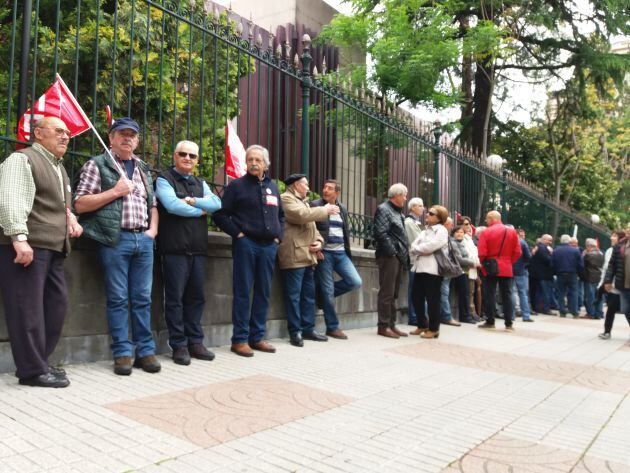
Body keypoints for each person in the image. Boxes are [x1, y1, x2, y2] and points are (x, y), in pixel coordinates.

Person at [0, 117, 83, 388]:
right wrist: (19, 238)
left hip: (54, 247)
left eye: (67, 133)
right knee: (27, 310)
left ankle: (37, 362)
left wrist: (70, 219)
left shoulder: (58, 168)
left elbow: (56, 203)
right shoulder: (22, 159)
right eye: (58, 131)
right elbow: (12, 198)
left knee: (56, 307)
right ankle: (32, 371)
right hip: (29, 246)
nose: (65, 136)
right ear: (37, 133)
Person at [75, 117, 160, 375]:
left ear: (137, 140)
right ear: (111, 138)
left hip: (143, 241)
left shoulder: (143, 168)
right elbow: (80, 204)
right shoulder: (97, 164)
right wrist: (115, 191)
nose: (127, 138)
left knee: (143, 298)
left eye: (132, 135)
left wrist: (152, 231)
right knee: (119, 298)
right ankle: (123, 352)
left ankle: (145, 351)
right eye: (121, 134)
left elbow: (153, 204)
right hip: (115, 239)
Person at [154, 140, 222, 365]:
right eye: (183, 154)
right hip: (173, 250)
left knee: (196, 298)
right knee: (174, 299)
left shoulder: (200, 182)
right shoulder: (164, 179)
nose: (187, 158)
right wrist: (201, 211)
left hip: (198, 250)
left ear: (197, 160)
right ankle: (179, 345)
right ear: (175, 156)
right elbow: (172, 205)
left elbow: (217, 204)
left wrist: (193, 201)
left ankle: (196, 342)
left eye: (192, 156)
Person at [213, 145, 284, 357]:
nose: (253, 163)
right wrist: (238, 235)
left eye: (258, 160)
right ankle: (240, 339)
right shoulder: (237, 186)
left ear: (265, 164)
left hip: (268, 247)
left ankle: (257, 337)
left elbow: (281, 215)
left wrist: (278, 236)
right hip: (246, 245)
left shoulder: (274, 187)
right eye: (250, 159)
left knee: (263, 292)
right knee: (243, 292)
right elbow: (220, 215)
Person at [279, 174, 335, 347]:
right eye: (306, 184)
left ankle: (308, 329)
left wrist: (319, 241)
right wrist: (325, 210)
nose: (309, 188)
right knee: (294, 296)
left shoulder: (302, 200)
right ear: (296, 185)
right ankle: (295, 331)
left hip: (307, 255)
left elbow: (312, 226)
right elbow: (302, 216)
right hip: (294, 255)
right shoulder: (286, 199)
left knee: (308, 296)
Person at [311, 179, 362, 339]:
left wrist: (347, 252)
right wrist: (317, 248)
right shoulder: (315, 205)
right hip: (325, 254)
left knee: (355, 281)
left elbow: (345, 232)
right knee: (328, 290)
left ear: (337, 193)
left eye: (330, 188)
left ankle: (322, 296)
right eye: (324, 187)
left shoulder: (342, 209)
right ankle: (332, 327)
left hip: (341, 254)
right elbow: (309, 228)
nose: (325, 190)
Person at [373, 183, 409, 338]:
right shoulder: (383, 209)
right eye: (404, 195)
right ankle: (383, 326)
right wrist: (393, 252)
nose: (406, 199)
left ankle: (391, 325)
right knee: (386, 292)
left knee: (393, 293)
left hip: (398, 256)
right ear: (397, 195)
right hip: (389, 256)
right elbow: (380, 233)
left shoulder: (399, 213)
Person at [409, 205, 449, 338]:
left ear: (439, 218)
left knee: (433, 300)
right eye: (428, 213)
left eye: (431, 213)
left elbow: (434, 245)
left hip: (433, 270)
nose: (427, 215)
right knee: (416, 297)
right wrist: (421, 249)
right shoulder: (425, 230)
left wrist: (419, 249)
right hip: (420, 268)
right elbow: (414, 245)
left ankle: (434, 329)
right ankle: (422, 325)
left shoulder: (441, 230)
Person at [477, 211, 521, 331]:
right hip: (506, 267)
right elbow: (518, 252)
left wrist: (483, 264)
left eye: (486, 219)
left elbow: (482, 253)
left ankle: (490, 322)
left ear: (491, 218)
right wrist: (508, 262)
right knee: (507, 294)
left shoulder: (486, 232)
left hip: (491, 266)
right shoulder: (512, 232)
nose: (486, 221)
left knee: (490, 294)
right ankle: (509, 324)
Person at [599, 231, 628, 339]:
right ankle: (607, 331)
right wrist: (606, 282)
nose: (611, 238)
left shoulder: (624, 249)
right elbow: (608, 268)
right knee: (611, 309)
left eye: (614, 236)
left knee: (626, 310)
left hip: (625, 286)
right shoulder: (610, 250)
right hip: (613, 286)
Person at [551, 234, 584, 318]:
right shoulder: (575, 251)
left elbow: (552, 263)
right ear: (569, 241)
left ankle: (562, 311)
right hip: (572, 274)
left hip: (560, 274)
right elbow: (580, 264)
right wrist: (580, 274)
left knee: (561, 293)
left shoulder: (556, 250)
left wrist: (555, 272)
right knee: (574, 293)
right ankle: (574, 312)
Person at [404, 198, 425, 326]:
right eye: (420, 206)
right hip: (414, 260)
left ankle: (418, 316)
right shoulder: (409, 222)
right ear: (412, 208)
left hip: (420, 259)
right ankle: (413, 317)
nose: (423, 208)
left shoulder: (417, 222)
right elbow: (415, 241)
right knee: (414, 289)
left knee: (419, 290)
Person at [450, 225, 476, 323]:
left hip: (463, 271)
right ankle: (465, 316)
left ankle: (466, 315)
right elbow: (459, 259)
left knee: (465, 294)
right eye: (457, 232)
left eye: (461, 232)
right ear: (453, 234)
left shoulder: (460, 243)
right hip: (458, 271)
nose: (459, 234)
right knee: (464, 294)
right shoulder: (453, 243)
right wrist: (473, 262)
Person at [440, 217, 461, 326]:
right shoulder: (442, 234)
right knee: (444, 292)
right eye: (450, 224)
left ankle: (444, 315)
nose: (452, 227)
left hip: (445, 267)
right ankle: (446, 316)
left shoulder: (446, 235)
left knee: (443, 291)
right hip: (443, 268)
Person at [461, 217, 481, 321]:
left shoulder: (469, 238)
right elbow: (466, 254)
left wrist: (477, 263)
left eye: (469, 224)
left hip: (473, 266)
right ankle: (469, 313)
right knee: (469, 291)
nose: (468, 226)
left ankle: (473, 313)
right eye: (465, 224)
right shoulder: (462, 238)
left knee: (472, 291)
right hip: (468, 267)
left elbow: (474, 253)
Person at [530, 234, 555, 315]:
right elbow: (548, 261)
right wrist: (551, 254)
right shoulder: (542, 249)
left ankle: (538, 308)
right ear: (543, 239)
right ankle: (545, 309)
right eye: (549, 240)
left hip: (538, 274)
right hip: (543, 274)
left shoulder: (539, 248)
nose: (550, 242)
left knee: (540, 292)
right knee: (545, 292)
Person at [512, 229, 533, 322]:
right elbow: (528, 257)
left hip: (510, 270)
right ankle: (526, 315)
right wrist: (524, 264)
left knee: (511, 292)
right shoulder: (522, 243)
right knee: (523, 293)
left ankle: (511, 315)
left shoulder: (508, 242)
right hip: (520, 270)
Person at [583, 238, 604, 319]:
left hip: (590, 278)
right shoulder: (601, 254)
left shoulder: (587, 255)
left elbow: (583, 266)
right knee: (599, 297)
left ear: (589, 246)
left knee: (590, 297)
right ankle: (598, 314)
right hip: (599, 278)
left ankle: (591, 313)